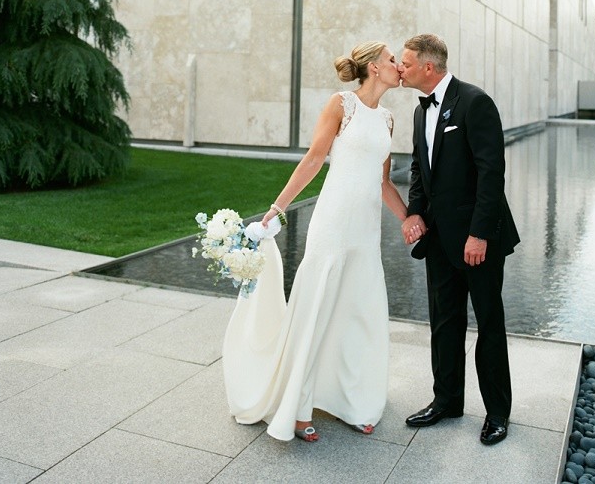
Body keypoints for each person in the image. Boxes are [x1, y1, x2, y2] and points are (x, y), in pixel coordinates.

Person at [222, 41, 408, 442]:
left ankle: (354, 402)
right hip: (334, 222)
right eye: (393, 60)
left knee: (360, 310)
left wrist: (409, 218)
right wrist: (277, 208)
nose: (399, 66)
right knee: (318, 309)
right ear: (374, 68)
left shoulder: (389, 119)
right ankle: (300, 406)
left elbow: (383, 181)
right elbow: (313, 159)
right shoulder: (342, 104)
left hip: (365, 229)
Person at [398, 33, 520, 446]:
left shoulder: (475, 102)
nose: (402, 68)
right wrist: (415, 210)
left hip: (478, 240)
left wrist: (479, 234)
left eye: (407, 62)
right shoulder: (420, 112)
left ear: (428, 67)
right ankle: (447, 401)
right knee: (444, 323)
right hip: (439, 239)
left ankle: (498, 413)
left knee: (489, 324)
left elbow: (492, 174)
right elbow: (419, 167)